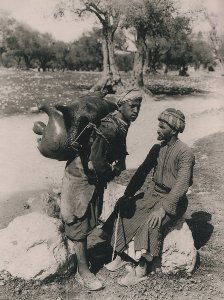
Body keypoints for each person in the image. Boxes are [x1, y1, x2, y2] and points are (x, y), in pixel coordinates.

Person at [60, 89, 142, 291]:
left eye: (139, 106)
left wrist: (119, 161)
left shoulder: (121, 124)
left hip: (91, 177)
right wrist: (112, 171)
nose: (136, 110)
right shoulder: (109, 127)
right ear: (120, 105)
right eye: (132, 106)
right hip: (80, 176)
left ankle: (83, 257)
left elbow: (115, 150)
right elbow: (97, 162)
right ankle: (82, 271)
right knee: (79, 219)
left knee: (90, 217)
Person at [105, 108, 195, 287]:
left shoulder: (186, 153)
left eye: (162, 126)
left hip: (173, 200)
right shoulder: (157, 149)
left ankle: (141, 269)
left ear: (174, 130)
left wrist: (162, 210)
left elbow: (182, 185)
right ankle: (123, 255)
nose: (158, 129)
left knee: (151, 223)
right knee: (127, 211)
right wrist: (127, 195)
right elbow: (141, 173)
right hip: (152, 194)